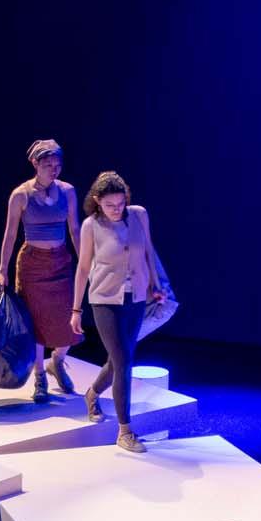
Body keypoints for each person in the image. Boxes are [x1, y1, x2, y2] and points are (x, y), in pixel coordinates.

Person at [69, 172, 167, 454]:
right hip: (104, 300)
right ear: (97, 201)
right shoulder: (91, 226)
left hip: (135, 298)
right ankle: (125, 431)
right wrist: (76, 309)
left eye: (120, 203)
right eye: (110, 204)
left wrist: (155, 286)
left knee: (117, 361)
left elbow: (148, 251)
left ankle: (91, 393)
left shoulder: (139, 215)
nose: (116, 209)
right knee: (124, 362)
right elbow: (84, 268)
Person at [0, 139, 82, 402]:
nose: (54, 169)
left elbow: (75, 230)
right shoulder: (21, 194)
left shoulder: (67, 191)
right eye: (48, 165)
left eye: (58, 164)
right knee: (35, 321)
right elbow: (10, 235)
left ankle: (57, 360)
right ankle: (40, 376)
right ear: (35, 164)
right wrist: (2, 270)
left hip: (61, 262)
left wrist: (86, 264)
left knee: (69, 317)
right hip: (32, 264)